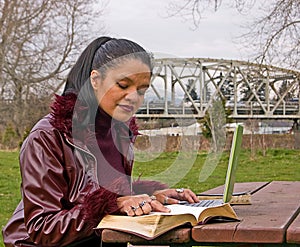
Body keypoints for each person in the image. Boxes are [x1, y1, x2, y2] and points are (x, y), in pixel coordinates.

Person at [2, 36, 199, 247]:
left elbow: (103, 194)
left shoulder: (120, 133)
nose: (134, 97)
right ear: (95, 80)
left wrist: (150, 196)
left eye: (142, 90)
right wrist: (110, 206)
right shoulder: (47, 137)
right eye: (123, 85)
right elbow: (43, 228)